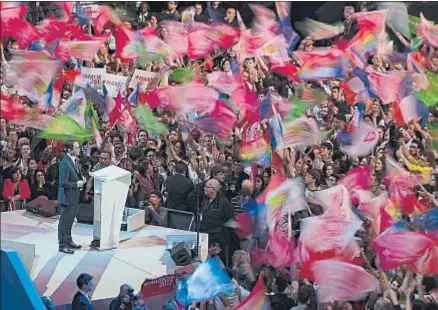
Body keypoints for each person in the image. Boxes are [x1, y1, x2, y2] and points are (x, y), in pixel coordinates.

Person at [58, 140, 85, 254]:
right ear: (69, 150)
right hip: (67, 197)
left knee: (69, 222)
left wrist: (81, 179)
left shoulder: (74, 160)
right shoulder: (65, 163)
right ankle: (62, 244)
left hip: (73, 197)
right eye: (76, 148)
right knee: (64, 222)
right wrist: (77, 184)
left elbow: (75, 175)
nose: (78, 150)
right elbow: (62, 182)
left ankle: (69, 241)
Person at [199, 179, 235, 267]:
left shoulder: (224, 203)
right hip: (205, 236)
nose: (204, 188)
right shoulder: (205, 200)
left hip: (219, 240)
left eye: (207, 187)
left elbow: (230, 219)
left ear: (214, 190)